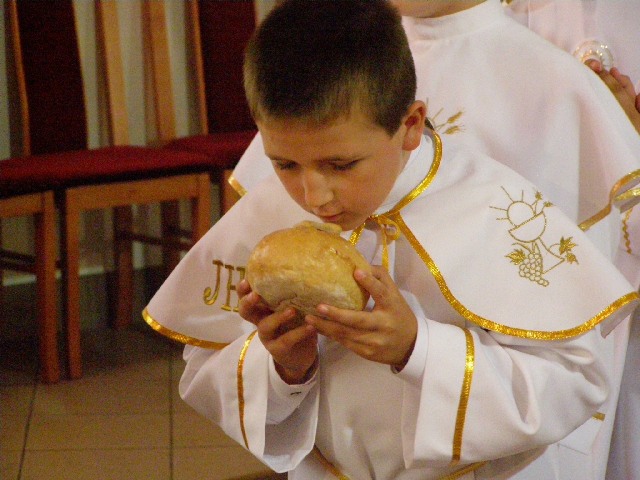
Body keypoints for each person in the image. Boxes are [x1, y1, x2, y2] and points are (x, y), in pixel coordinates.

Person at [143, 1, 640, 478]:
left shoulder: (493, 206)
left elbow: (577, 379)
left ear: (410, 126)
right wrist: (284, 369)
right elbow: (206, 363)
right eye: (285, 164)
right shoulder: (273, 208)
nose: (314, 196)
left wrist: (417, 349)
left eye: (341, 165)